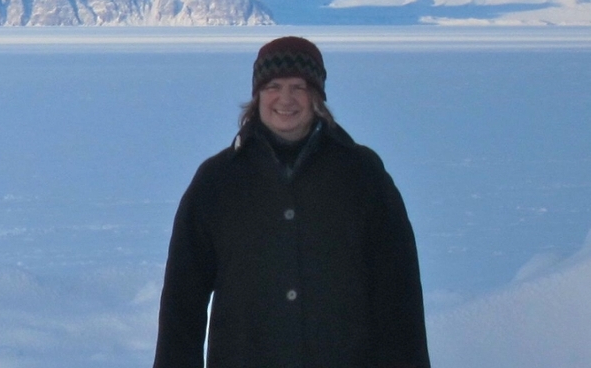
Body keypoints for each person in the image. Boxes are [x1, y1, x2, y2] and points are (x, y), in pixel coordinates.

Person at [153, 36, 430, 368]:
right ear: (257, 96)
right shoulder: (217, 181)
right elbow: (182, 301)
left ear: (317, 96)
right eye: (273, 86)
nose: (285, 99)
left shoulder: (362, 176)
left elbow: (398, 295)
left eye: (299, 87)